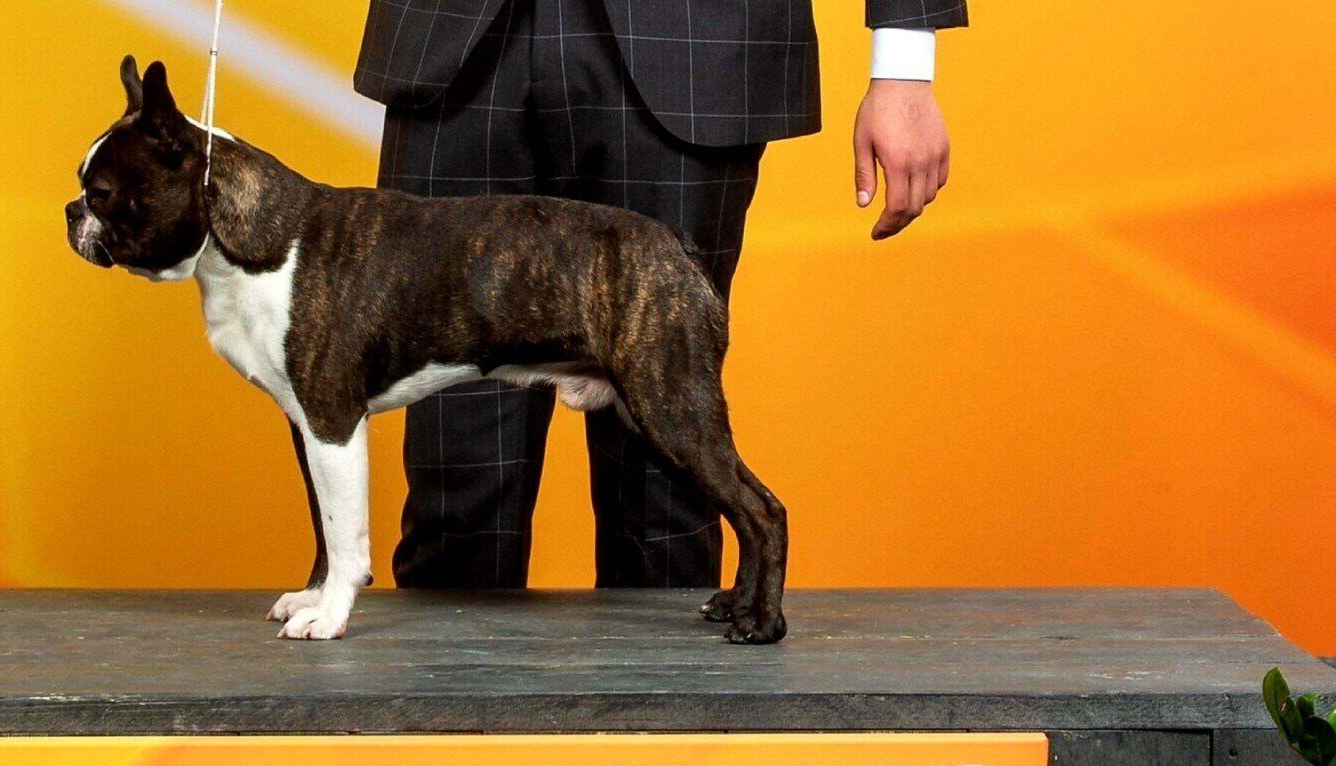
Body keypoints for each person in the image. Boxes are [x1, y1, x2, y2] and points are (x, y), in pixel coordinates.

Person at [351, 0, 963, 590]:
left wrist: (904, 63)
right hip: (453, 39)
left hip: (691, 42)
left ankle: (673, 671)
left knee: (667, 498)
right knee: (454, 496)